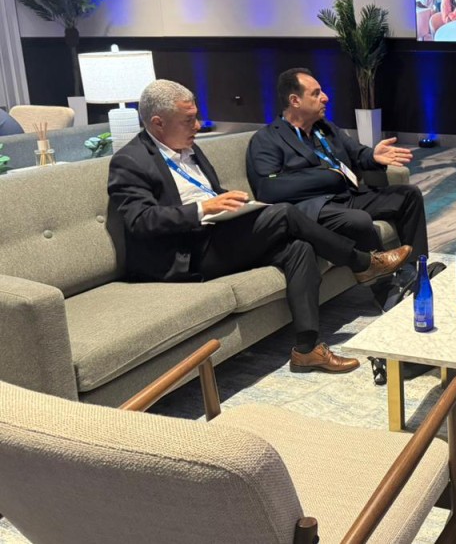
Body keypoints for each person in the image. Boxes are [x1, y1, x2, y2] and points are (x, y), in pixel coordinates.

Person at [108, 80, 411, 374]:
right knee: (285, 214)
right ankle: (363, 262)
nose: (197, 126)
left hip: (218, 234)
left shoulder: (189, 148)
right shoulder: (130, 161)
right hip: (185, 254)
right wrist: (202, 209)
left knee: (299, 249)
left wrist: (234, 203)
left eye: (196, 117)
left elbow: (207, 191)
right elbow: (139, 221)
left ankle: (306, 350)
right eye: (188, 120)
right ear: (158, 123)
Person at [246, 68, 429, 265]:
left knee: (409, 195)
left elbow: (357, 153)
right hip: (316, 207)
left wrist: (373, 156)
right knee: (358, 220)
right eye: (316, 93)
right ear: (295, 101)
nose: (325, 98)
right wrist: (328, 176)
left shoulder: (326, 128)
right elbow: (268, 188)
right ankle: (384, 275)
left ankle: (417, 268)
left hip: (348, 196)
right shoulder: (267, 138)